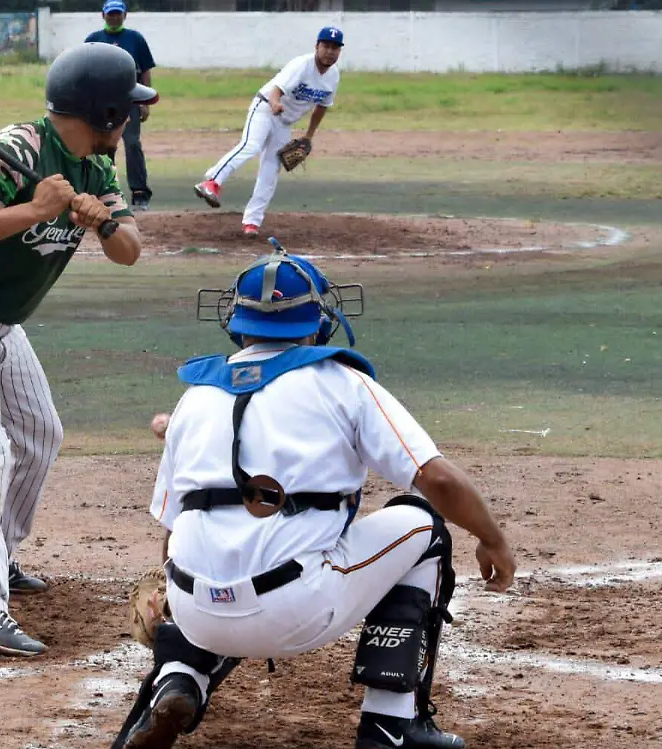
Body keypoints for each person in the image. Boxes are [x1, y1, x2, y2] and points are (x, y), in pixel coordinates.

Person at [110, 245, 517, 749]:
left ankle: (179, 672)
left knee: (223, 547)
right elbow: (441, 482)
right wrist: (492, 539)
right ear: (319, 323)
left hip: (196, 612)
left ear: (236, 323)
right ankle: (391, 724)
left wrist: (177, 602)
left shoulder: (193, 397)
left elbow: (172, 534)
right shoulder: (343, 383)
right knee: (424, 525)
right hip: (294, 610)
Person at [0, 42, 157, 658]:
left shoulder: (96, 167)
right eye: (127, 110)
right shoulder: (17, 149)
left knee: (40, 433)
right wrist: (31, 211)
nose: (133, 118)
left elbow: (131, 251)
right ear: (104, 114)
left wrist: (104, 223)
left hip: (0, 321)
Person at [194, 26, 344, 239]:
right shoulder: (302, 65)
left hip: (284, 122)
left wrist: (309, 135)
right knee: (250, 145)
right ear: (317, 46)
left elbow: (322, 107)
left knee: (271, 169)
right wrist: (274, 103)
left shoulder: (333, 76)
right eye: (326, 46)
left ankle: (252, 222)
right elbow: (277, 89)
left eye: (335, 48)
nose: (330, 51)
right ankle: (212, 182)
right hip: (265, 108)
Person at [85, 0, 157, 213]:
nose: (114, 17)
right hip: (101, 101)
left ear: (124, 16)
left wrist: (145, 102)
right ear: (103, 15)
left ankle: (140, 193)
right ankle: (104, 191)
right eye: (110, 14)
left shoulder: (135, 39)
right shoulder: (93, 40)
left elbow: (145, 71)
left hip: (130, 99)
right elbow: (85, 70)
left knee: (132, 144)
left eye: (117, 14)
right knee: (103, 146)